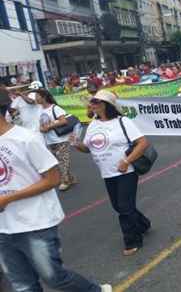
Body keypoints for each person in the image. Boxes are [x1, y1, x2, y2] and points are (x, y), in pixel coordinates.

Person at [0, 92, 112, 292]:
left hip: (35, 223)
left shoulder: (25, 139)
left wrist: (8, 198)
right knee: (22, 285)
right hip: (3, 229)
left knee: (55, 278)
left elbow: (53, 178)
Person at [71, 90, 152, 256]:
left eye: (96, 102)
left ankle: (132, 240)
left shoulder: (123, 121)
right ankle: (143, 224)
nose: (92, 105)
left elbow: (143, 143)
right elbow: (88, 148)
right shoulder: (93, 124)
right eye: (92, 102)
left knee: (124, 207)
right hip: (107, 173)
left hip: (126, 171)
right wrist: (76, 144)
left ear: (106, 105)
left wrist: (126, 162)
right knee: (119, 206)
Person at [36, 89, 76, 192]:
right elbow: (41, 125)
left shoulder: (55, 108)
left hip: (61, 139)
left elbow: (64, 121)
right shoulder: (39, 110)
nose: (36, 98)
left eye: (37, 96)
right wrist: (42, 129)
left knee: (63, 160)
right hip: (49, 140)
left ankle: (65, 181)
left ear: (44, 97)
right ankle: (70, 178)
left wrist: (49, 126)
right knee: (56, 161)